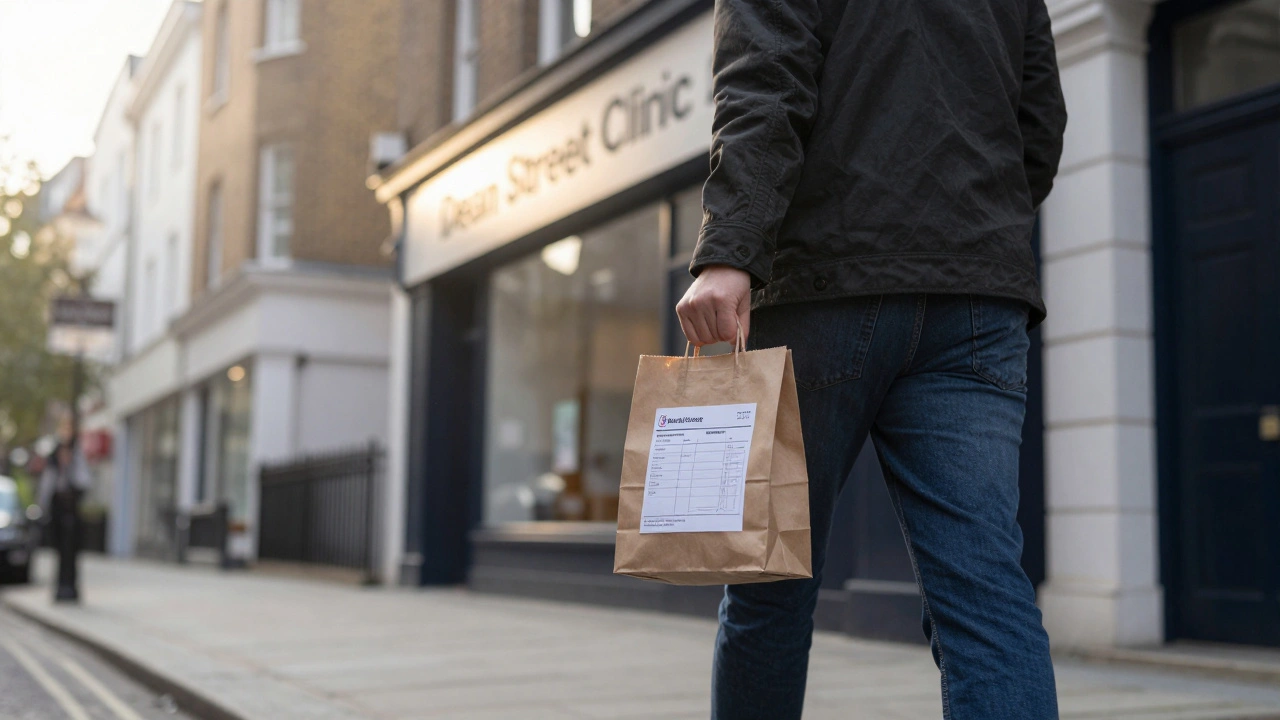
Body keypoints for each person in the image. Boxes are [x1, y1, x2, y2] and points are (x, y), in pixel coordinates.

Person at [676, 0, 1068, 717]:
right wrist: (970, 234)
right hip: (974, 296)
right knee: (985, 597)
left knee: (770, 592)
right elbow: (1039, 122)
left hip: (823, 287)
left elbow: (764, 83)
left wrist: (730, 249)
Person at [39, 441, 91, 602]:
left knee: (72, 555)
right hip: (58, 518)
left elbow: (85, 483)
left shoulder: (76, 469)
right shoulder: (53, 470)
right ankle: (60, 588)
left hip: (73, 518)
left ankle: (72, 588)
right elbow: (45, 493)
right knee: (60, 554)